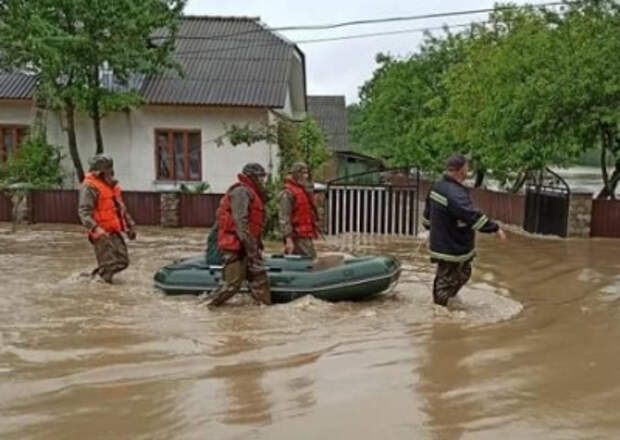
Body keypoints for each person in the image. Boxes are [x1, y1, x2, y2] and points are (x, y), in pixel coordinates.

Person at [422, 154, 506, 306]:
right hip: (450, 245)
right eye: (467, 167)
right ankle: (439, 312)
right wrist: (494, 228)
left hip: (452, 242)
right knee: (446, 279)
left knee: (463, 273)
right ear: (460, 170)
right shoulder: (453, 193)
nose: (468, 170)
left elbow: (427, 214)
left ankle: (448, 300)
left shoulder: (437, 187)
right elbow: (470, 214)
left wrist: (429, 228)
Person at [206, 163, 271, 307]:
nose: (263, 181)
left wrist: (256, 247)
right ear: (252, 177)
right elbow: (240, 222)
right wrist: (249, 247)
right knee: (232, 285)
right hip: (237, 246)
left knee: (260, 281)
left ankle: (265, 311)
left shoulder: (253, 193)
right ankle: (205, 307)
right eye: (261, 177)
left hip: (249, 246)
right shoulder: (241, 192)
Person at [78, 154, 136, 283]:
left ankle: (94, 277)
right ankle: (101, 286)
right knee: (109, 265)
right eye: (108, 170)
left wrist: (130, 225)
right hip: (101, 233)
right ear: (100, 172)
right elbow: (84, 212)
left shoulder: (111, 185)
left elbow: (120, 207)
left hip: (113, 230)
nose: (111, 173)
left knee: (123, 261)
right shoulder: (90, 187)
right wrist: (96, 228)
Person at [278, 161, 319, 259]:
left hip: (305, 235)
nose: (306, 176)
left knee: (308, 259)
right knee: (309, 260)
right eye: (303, 173)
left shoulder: (303, 191)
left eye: (306, 173)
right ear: (296, 174)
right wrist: (288, 239)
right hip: (296, 236)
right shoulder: (287, 193)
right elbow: (284, 218)